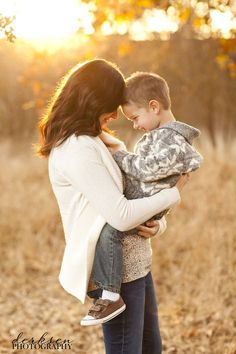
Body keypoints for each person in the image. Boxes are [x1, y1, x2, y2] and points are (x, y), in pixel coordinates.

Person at [36, 59, 188, 354]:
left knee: (150, 350)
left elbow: (137, 193)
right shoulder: (76, 149)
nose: (116, 116)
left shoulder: (96, 139)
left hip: (137, 265)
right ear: (92, 101)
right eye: (112, 106)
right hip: (115, 278)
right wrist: (175, 193)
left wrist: (159, 224)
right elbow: (120, 215)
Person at [83, 71, 203, 327]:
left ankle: (110, 295)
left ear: (154, 106)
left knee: (111, 231)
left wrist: (117, 156)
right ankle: (104, 289)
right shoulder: (161, 136)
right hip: (150, 199)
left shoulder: (171, 139)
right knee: (106, 231)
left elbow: (148, 170)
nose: (135, 125)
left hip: (147, 199)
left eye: (135, 118)